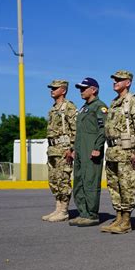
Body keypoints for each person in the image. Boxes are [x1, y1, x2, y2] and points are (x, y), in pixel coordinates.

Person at [100, 70, 135, 234]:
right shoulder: (113, 103)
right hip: (113, 151)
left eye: (119, 80)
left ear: (128, 82)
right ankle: (118, 217)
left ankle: (126, 220)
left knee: (127, 186)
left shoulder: (133, 102)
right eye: (114, 79)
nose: (115, 82)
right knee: (114, 186)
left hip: (127, 151)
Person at [69, 77, 108, 227]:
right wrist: (73, 149)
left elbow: (102, 129)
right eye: (80, 88)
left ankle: (92, 214)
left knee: (90, 181)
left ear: (94, 89)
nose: (81, 91)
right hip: (80, 151)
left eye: (84, 88)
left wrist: (97, 147)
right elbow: (79, 132)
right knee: (79, 181)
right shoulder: (84, 108)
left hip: (91, 151)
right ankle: (83, 213)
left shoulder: (100, 107)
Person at [42, 79, 77, 222]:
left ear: (63, 90)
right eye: (52, 88)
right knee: (53, 180)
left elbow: (75, 128)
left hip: (64, 150)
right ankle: (57, 208)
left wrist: (72, 148)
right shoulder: (52, 109)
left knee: (63, 179)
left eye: (55, 88)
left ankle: (64, 210)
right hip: (53, 150)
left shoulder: (68, 107)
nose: (52, 90)